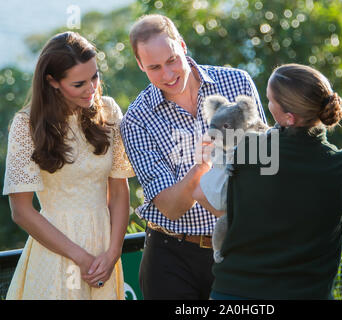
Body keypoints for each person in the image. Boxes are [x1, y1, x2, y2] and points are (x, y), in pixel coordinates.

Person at [120, 14, 266, 299]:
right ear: (140, 66)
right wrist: (202, 165)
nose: (167, 74)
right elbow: (171, 208)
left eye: (172, 60)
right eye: (154, 67)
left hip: (237, 247)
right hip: (172, 257)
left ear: (183, 47)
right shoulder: (135, 120)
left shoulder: (238, 83)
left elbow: (262, 166)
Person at [193, 63, 342, 299]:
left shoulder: (246, 148)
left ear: (289, 116)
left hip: (237, 292)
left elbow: (212, 195)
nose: (267, 106)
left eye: (270, 101)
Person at [2, 31, 135, 300]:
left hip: (105, 254)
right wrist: (80, 257)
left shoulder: (108, 111)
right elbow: (21, 211)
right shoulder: (26, 125)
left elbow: (119, 190)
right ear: (52, 82)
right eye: (79, 84)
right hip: (56, 253)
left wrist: (113, 252)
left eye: (95, 77)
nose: (92, 88)